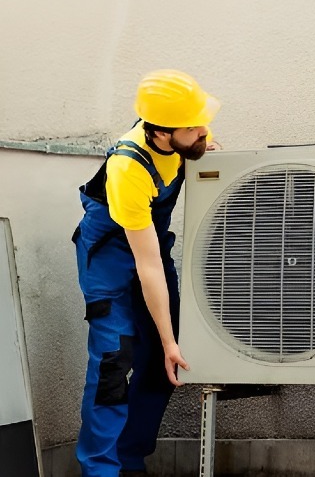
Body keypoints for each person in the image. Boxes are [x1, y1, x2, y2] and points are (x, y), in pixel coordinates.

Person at [72, 69, 221, 476]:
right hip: (112, 260)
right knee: (113, 362)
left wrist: (205, 147)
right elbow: (147, 265)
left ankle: (129, 460)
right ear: (160, 132)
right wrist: (169, 337)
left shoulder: (177, 139)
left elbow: (154, 256)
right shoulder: (128, 168)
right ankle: (101, 469)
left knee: (162, 361)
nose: (204, 130)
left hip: (151, 249)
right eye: (194, 127)